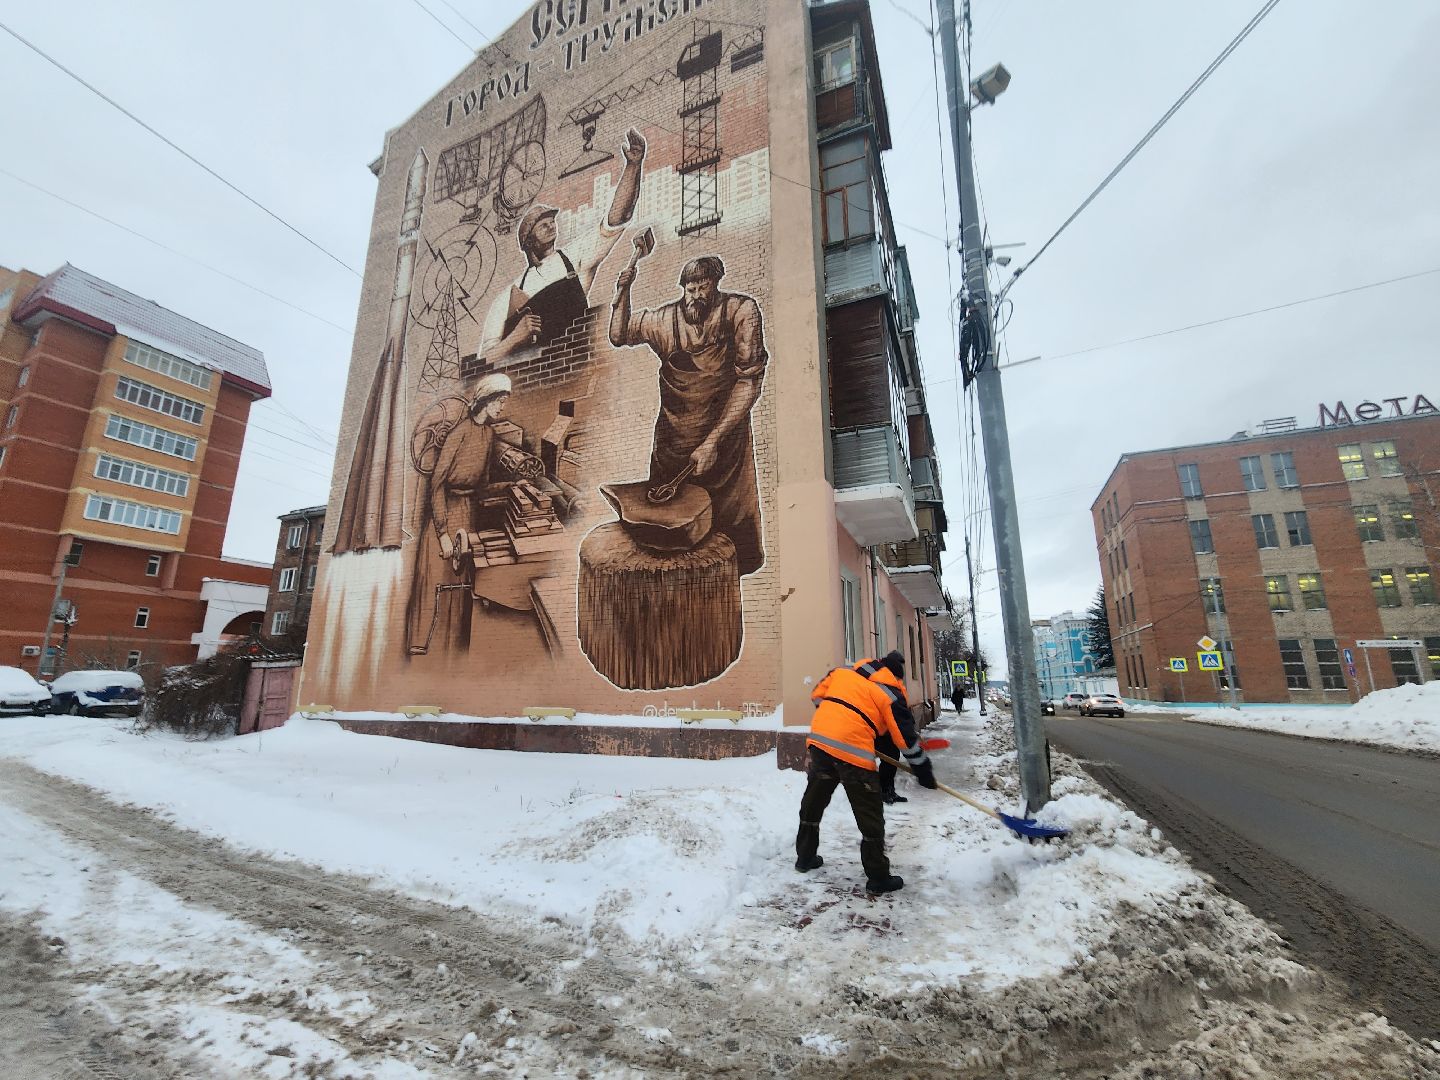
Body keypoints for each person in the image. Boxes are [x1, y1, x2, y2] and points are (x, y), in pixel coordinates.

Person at [609, 255, 767, 574]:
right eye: (689, 288)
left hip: (725, 448)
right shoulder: (664, 320)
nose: (694, 295)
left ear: (716, 285)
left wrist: (712, 442)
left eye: (702, 287)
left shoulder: (740, 312)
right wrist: (622, 292)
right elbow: (618, 334)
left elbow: (749, 382)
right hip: (673, 448)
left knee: (724, 550)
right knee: (666, 547)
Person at [479, 128, 648, 361]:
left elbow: (615, 220)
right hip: (522, 388)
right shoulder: (505, 299)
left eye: (551, 221)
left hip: (573, 372)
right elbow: (480, 365)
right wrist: (515, 338)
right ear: (528, 241)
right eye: (542, 224)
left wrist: (633, 167)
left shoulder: (574, 259)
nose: (551, 226)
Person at [796, 652, 937, 894]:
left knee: (814, 801)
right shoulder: (891, 693)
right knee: (869, 814)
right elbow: (904, 738)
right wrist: (922, 768)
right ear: (895, 676)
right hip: (853, 754)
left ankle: (805, 858)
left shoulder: (841, 674)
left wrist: (839, 718)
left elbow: (817, 696)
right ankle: (878, 877)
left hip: (820, 743)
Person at [405, 374, 517, 654]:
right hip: (447, 511)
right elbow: (438, 484)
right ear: (486, 401)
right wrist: (442, 533)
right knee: (438, 578)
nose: (502, 407)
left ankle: (453, 641)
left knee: (462, 579)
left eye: (504, 402)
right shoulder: (460, 433)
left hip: (467, 514)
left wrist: (511, 488)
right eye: (500, 401)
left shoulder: (488, 434)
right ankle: (423, 644)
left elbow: (481, 484)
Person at [850, 652, 918, 805]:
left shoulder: (891, 680)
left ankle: (887, 790)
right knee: (877, 759)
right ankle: (876, 791)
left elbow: (900, 708)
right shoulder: (879, 681)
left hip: (885, 726)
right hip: (871, 726)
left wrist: (909, 724)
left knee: (892, 757)